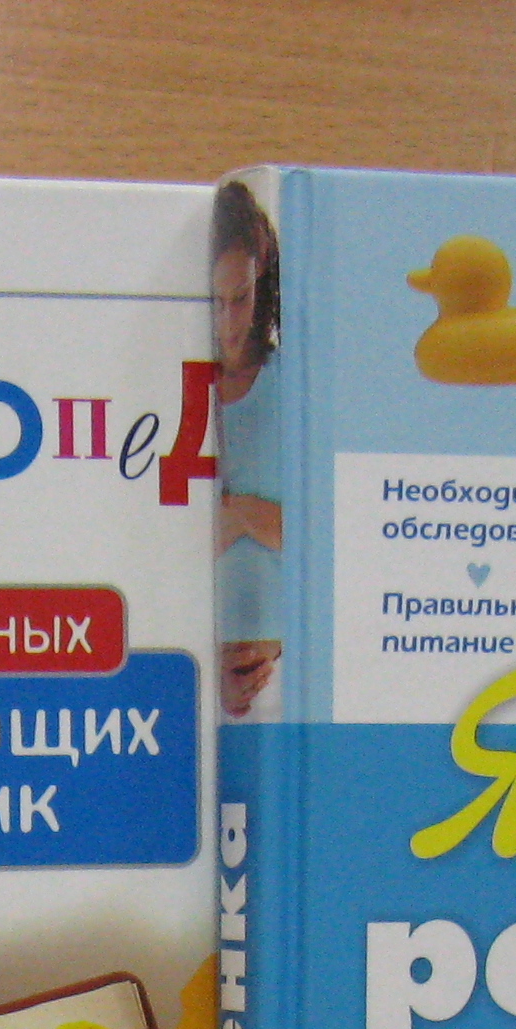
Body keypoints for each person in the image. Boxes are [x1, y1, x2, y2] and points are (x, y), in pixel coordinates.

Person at [210, 178, 286, 721]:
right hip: (191, 655)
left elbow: (325, 540)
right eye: (215, 303)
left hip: (283, 658)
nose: (229, 325)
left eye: (241, 299)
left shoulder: (291, 386)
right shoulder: (175, 388)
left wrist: (235, 515)